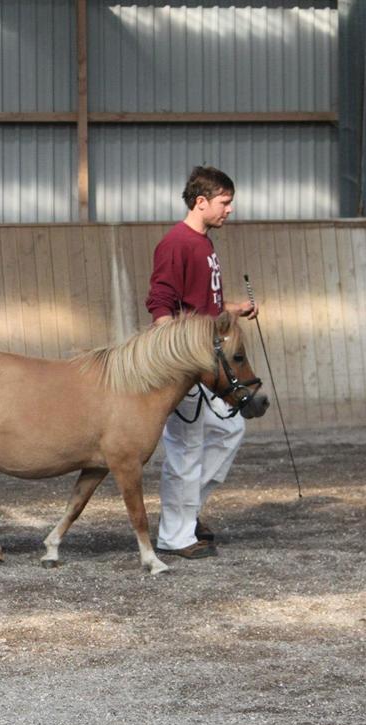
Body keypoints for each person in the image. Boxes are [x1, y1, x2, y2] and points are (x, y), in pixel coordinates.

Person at [145, 166, 258, 559]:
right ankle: (175, 537)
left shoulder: (204, 243)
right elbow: (161, 304)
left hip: (209, 366)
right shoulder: (177, 243)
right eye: (225, 203)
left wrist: (234, 309)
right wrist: (177, 355)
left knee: (231, 429)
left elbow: (202, 305)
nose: (229, 210)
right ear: (202, 202)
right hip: (187, 366)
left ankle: (186, 513)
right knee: (185, 449)